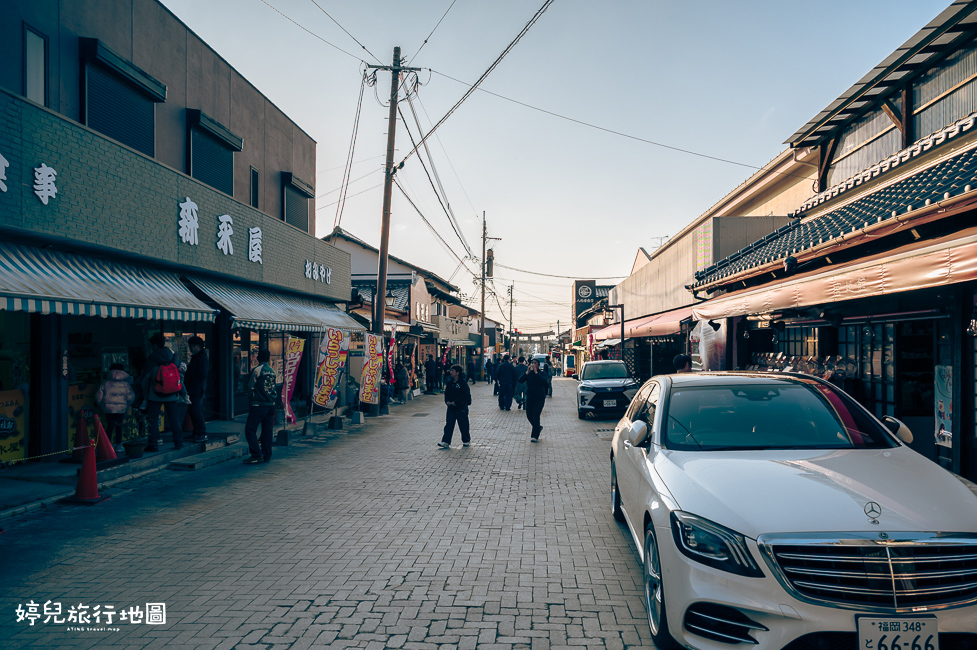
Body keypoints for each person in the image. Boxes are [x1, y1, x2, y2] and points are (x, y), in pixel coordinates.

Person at [140, 333, 186, 452]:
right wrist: (184, 393)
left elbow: (144, 380)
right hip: (172, 394)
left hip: (154, 395)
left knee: (153, 420)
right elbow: (179, 376)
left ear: (155, 345)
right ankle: (179, 442)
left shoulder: (151, 360)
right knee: (174, 418)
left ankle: (153, 444)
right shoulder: (173, 358)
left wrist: (144, 396)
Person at [244, 349, 278, 464]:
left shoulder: (257, 370)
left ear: (258, 358)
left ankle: (256, 454)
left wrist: (251, 399)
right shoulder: (272, 371)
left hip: (259, 404)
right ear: (268, 358)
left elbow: (250, 387)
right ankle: (267, 455)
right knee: (267, 430)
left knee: (250, 429)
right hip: (271, 405)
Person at [95, 363, 135, 453]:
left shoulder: (105, 383)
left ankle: (107, 445)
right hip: (121, 408)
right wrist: (126, 404)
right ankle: (118, 445)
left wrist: (101, 404)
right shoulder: (126, 384)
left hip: (108, 408)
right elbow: (130, 397)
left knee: (109, 425)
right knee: (119, 426)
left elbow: (99, 396)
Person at [438, 364, 472, 449]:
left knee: (463, 424)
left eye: (452, 370)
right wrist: (447, 402)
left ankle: (466, 440)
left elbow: (465, 395)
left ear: (457, 372)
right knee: (449, 424)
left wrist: (456, 402)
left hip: (461, 407)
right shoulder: (450, 383)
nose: (450, 372)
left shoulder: (462, 383)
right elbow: (446, 394)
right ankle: (446, 441)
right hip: (451, 408)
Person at [185, 336, 209, 443]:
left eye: (191, 346)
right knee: (192, 410)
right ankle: (197, 431)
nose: (190, 348)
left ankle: (202, 432)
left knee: (195, 410)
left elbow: (202, 374)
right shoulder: (198, 357)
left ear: (196, 346)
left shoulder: (201, 358)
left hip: (196, 388)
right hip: (194, 388)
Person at [519, 358, 548, 442]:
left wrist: (536, 372)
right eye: (532, 363)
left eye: (535, 363)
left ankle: (534, 435)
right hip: (530, 397)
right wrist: (527, 373)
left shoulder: (541, 373)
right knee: (529, 415)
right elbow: (520, 380)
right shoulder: (529, 374)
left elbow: (543, 381)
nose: (533, 364)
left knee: (536, 416)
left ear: (538, 365)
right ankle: (538, 428)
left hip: (539, 398)